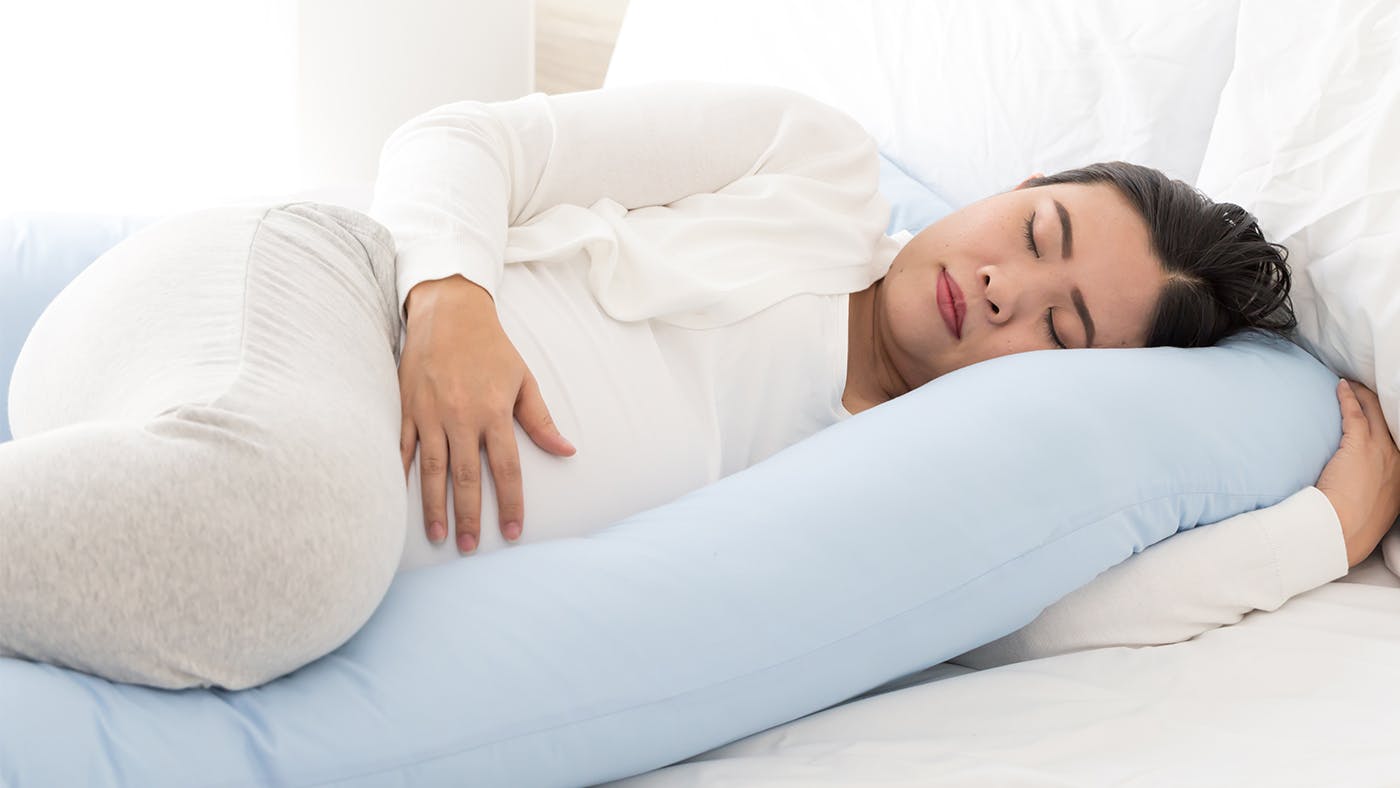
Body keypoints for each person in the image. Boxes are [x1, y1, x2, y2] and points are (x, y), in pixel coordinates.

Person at [370, 81, 1400, 644]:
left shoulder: (914, 484)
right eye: (1036, 233)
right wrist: (450, 297)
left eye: (1060, 328)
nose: (1004, 288)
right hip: (358, 332)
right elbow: (462, 139)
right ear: (1019, 182)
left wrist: (1321, 533)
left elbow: (1042, 622)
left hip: (362, 544)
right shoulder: (813, 159)